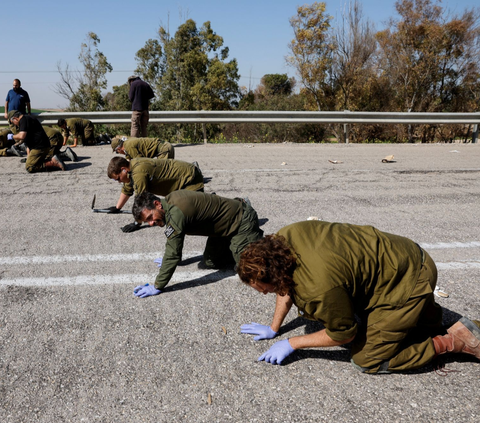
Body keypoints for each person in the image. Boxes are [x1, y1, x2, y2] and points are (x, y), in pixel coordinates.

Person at [237, 220, 480, 373]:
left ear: (276, 275)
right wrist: (274, 327)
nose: (264, 293)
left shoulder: (317, 290)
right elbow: (285, 286)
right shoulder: (284, 238)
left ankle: (456, 340)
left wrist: (293, 343)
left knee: (367, 360)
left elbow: (343, 333)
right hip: (405, 254)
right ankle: (426, 320)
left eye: (264, 288)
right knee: (418, 328)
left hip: (406, 280)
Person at [131, 191, 264, 298]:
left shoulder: (176, 214)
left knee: (250, 270)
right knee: (211, 262)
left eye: (149, 217)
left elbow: (173, 253)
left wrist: (157, 285)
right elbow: (173, 250)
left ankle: (255, 242)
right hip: (222, 230)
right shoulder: (170, 201)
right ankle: (241, 245)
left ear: (157, 204)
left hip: (241, 220)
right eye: (146, 222)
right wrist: (169, 261)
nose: (151, 223)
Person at [106, 156, 204, 232]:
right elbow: (128, 188)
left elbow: (142, 201)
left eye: (118, 178)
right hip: (182, 182)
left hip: (190, 179)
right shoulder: (131, 167)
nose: (119, 181)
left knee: (186, 218)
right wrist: (117, 207)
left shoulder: (138, 173)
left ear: (124, 169)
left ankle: (207, 200)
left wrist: (137, 223)